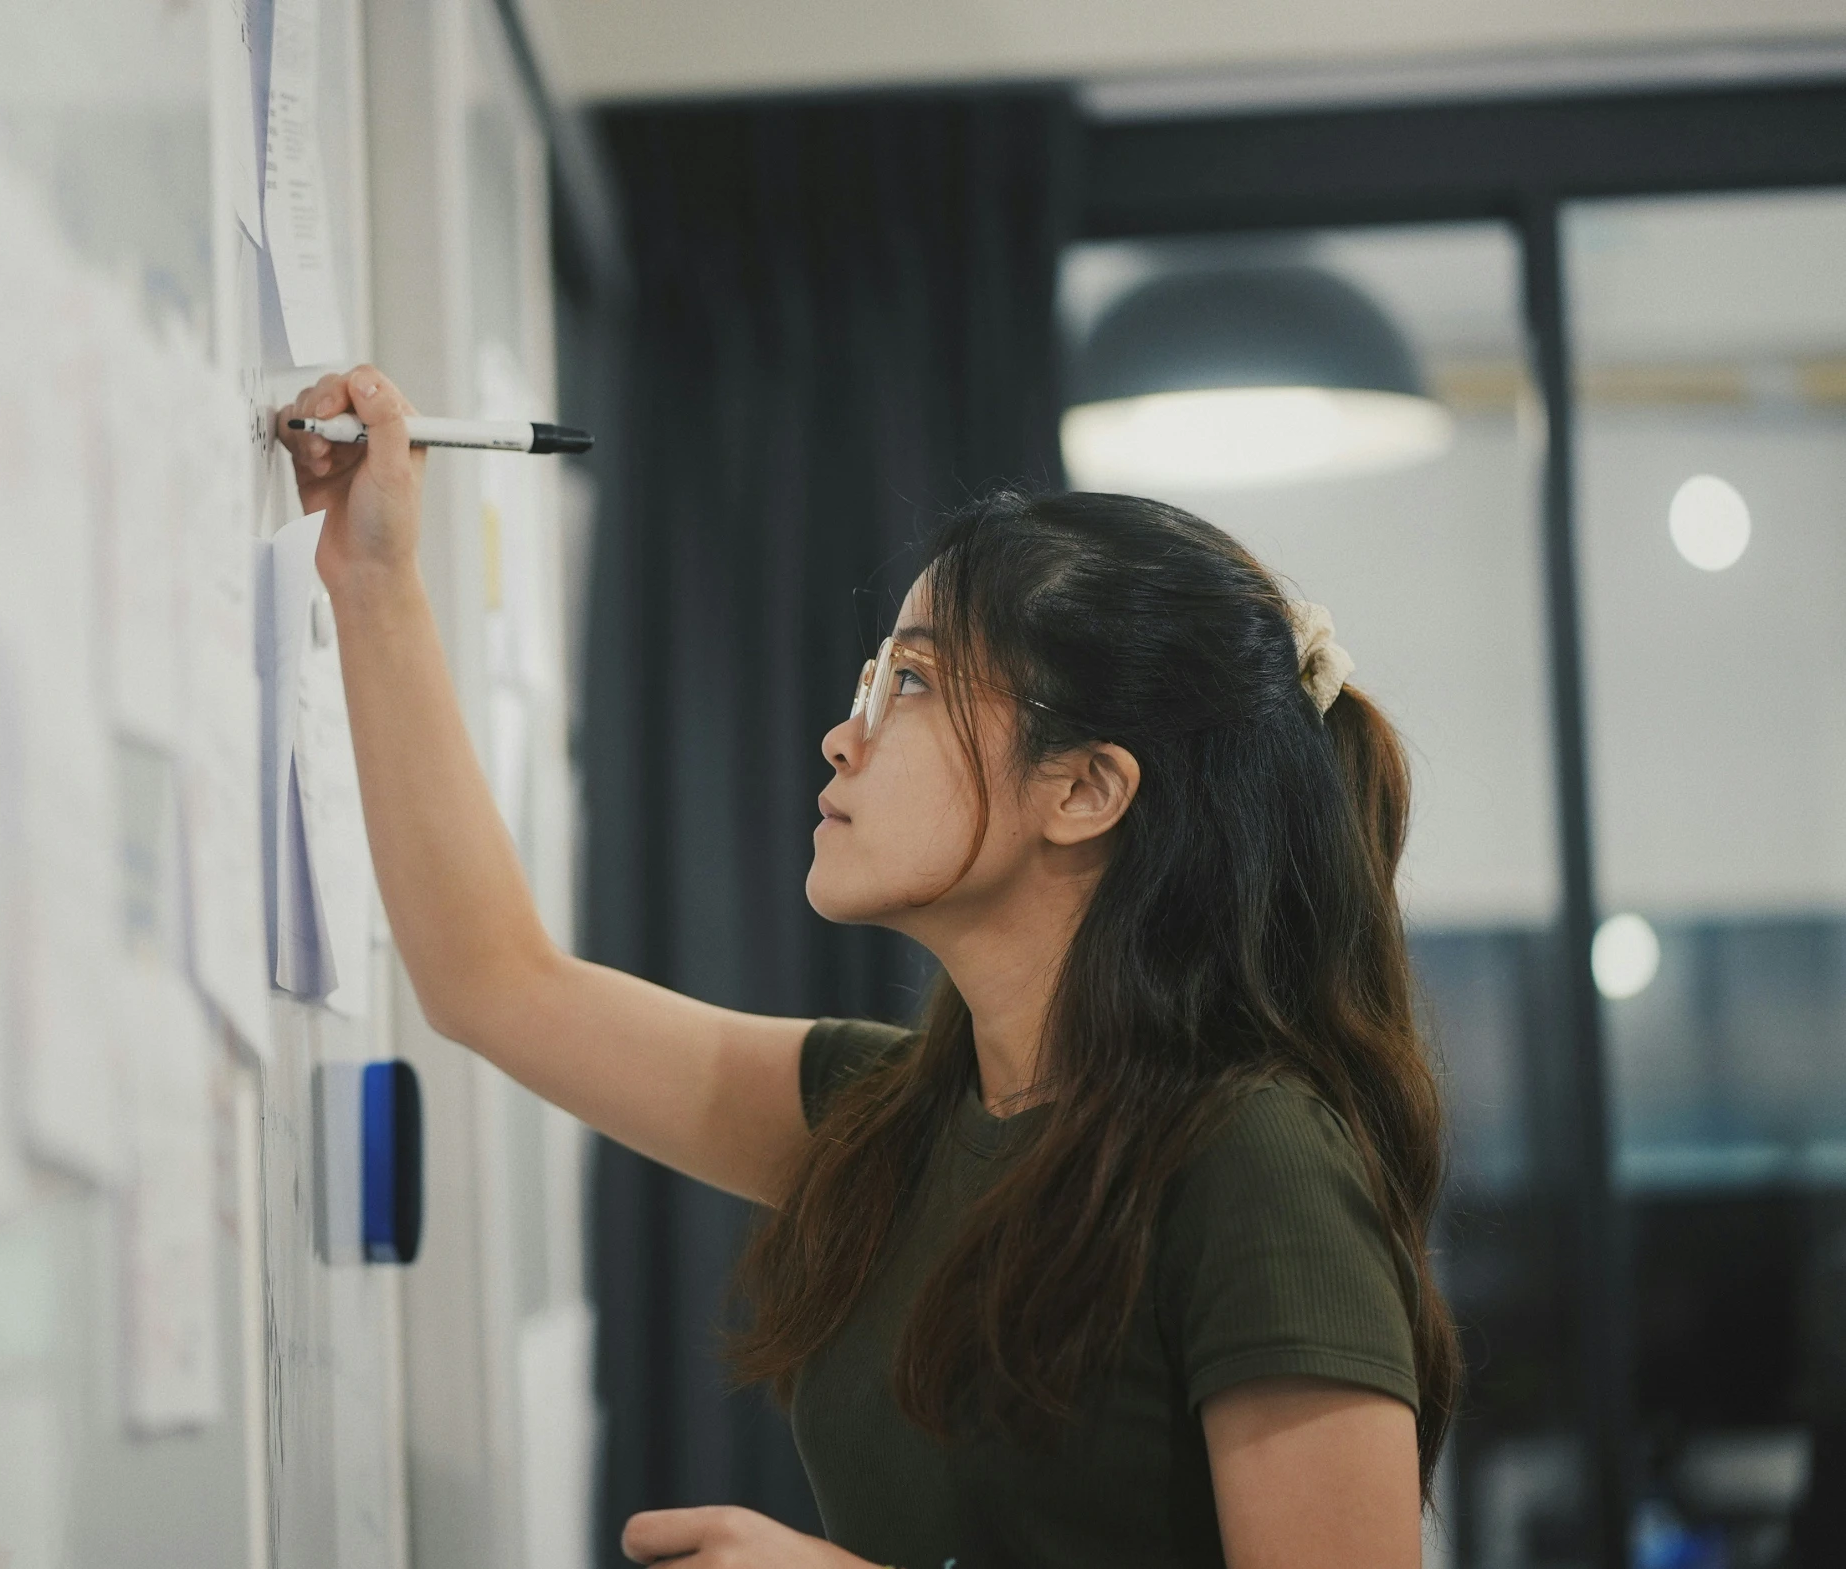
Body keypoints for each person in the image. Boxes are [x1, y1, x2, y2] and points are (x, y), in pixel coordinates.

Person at [278, 366, 1459, 1569]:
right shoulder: (891, 1120)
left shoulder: (1258, 1158)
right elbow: (495, 983)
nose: (846, 735)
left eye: (912, 682)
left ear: (1084, 788)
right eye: (870, 681)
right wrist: (371, 580)